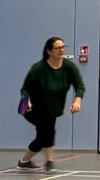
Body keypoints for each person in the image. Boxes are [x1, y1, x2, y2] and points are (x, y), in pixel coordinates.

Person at [18, 36, 85, 171]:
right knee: (46, 132)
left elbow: (79, 86)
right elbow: (24, 89)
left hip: (52, 108)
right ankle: (49, 161)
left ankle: (24, 161)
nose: (61, 50)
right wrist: (27, 100)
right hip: (33, 108)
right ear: (49, 51)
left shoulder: (69, 67)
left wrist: (77, 100)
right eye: (57, 48)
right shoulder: (38, 68)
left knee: (43, 135)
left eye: (63, 47)